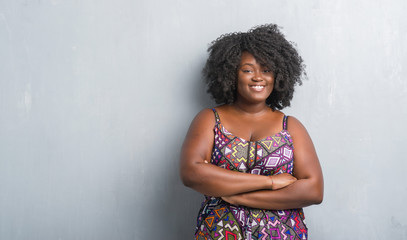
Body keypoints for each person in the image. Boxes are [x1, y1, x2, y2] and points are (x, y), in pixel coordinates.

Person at [180, 24, 323, 240]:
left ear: (278, 76)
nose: (258, 77)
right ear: (231, 74)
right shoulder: (210, 119)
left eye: (266, 70)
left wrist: (238, 197)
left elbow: (313, 191)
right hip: (219, 233)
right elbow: (192, 173)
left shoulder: (290, 126)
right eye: (247, 70)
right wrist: (270, 182)